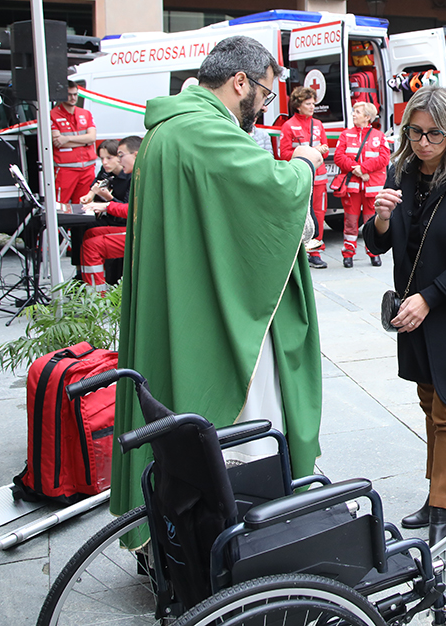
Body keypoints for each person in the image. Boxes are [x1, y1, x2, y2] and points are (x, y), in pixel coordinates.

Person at [111, 35, 326, 525]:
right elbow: (269, 192)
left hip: (187, 292)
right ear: (240, 81)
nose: (264, 110)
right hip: (211, 311)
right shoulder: (205, 129)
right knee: (245, 422)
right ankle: (239, 525)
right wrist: (304, 165)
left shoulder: (170, 128)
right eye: (265, 96)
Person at [364, 87, 446, 545]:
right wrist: (380, 219)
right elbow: (380, 243)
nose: (423, 142)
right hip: (412, 308)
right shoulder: (400, 170)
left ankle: (441, 504)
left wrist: (429, 298)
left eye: (434, 134)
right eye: (415, 132)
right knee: (427, 398)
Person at [278, 87, 332, 269]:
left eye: (313, 103)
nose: (312, 107)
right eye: (308, 104)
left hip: (319, 179)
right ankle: (302, 252)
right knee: (301, 214)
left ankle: (316, 252)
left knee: (319, 213)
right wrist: (307, 153)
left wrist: (321, 151)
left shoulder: (318, 124)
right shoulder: (288, 126)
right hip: (301, 178)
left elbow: (325, 147)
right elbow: (284, 153)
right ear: (298, 105)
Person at [79, 136, 141, 292]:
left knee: (92, 246)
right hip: (137, 225)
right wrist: (93, 196)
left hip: (143, 231)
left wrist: (107, 204)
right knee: (89, 233)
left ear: (135, 155)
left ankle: (98, 299)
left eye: (120, 156)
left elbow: (132, 209)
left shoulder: (139, 176)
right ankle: (89, 284)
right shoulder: (139, 174)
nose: (119, 161)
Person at [334, 101, 389, 268]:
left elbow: (384, 158)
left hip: (372, 188)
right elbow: (338, 156)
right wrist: (356, 169)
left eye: (357, 112)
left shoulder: (379, 136)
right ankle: (348, 254)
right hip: (353, 186)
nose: (353, 114)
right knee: (350, 221)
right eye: (354, 111)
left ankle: (373, 253)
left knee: (371, 221)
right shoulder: (345, 135)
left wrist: (364, 168)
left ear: (367, 117)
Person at [51, 79, 98, 204]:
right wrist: (84, 141)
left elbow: (92, 138)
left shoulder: (85, 113)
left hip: (87, 168)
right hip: (66, 169)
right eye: (69, 94)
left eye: (75, 94)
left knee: (83, 206)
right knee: (60, 205)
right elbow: (57, 142)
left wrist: (67, 138)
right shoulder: (52, 115)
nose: (73, 98)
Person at [80, 139, 131, 206]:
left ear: (119, 157)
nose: (104, 162)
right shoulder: (106, 169)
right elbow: (98, 181)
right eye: (102, 158)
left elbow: (127, 208)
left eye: (109, 158)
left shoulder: (130, 176)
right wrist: (90, 195)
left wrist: (108, 197)